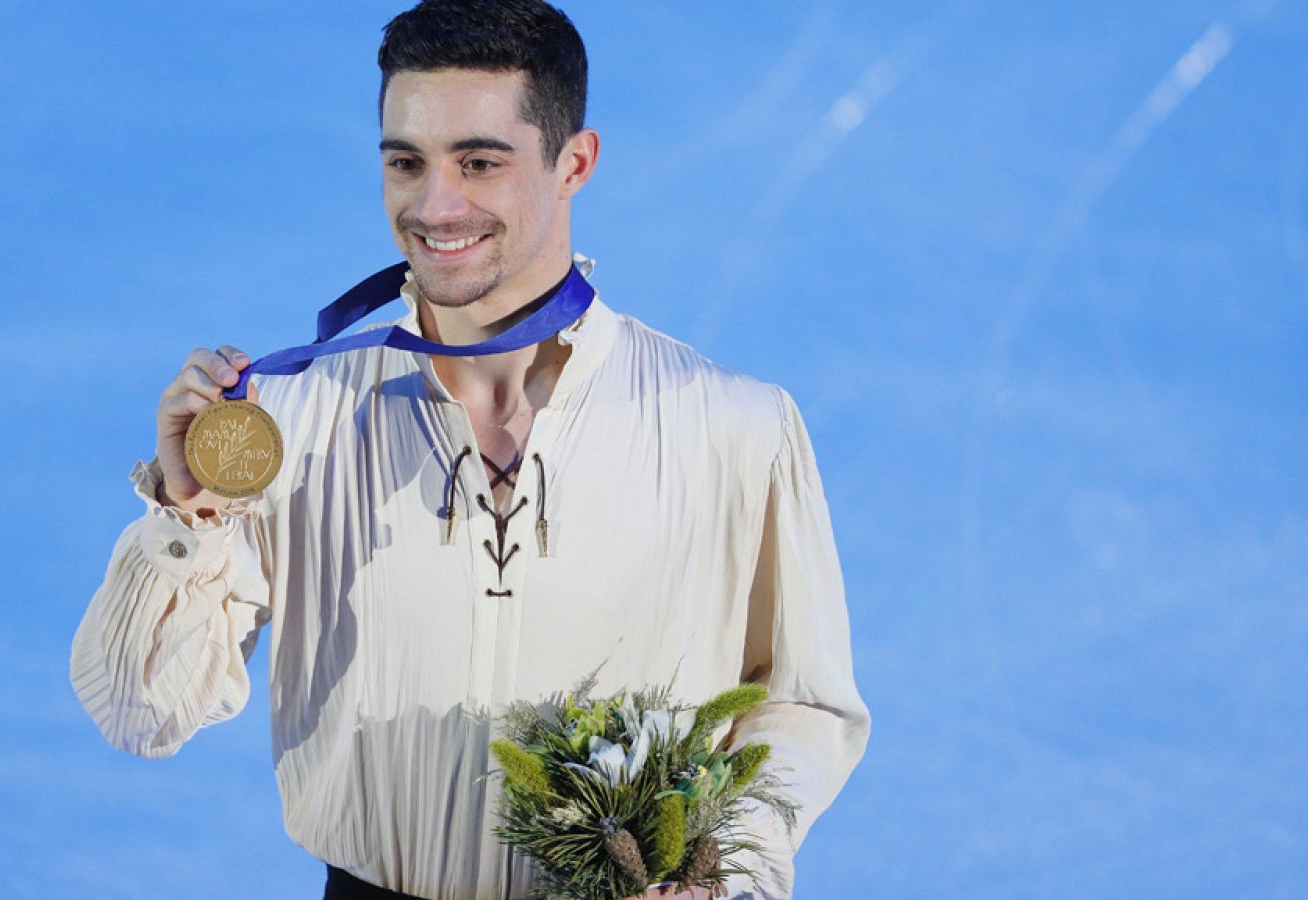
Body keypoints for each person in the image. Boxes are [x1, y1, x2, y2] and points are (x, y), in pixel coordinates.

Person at [68, 1, 870, 897]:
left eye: (479, 162)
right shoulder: (293, 419)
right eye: (406, 162)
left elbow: (801, 703)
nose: (434, 206)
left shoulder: (734, 427)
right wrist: (190, 514)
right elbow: (139, 712)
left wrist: (724, 870)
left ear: (574, 164)